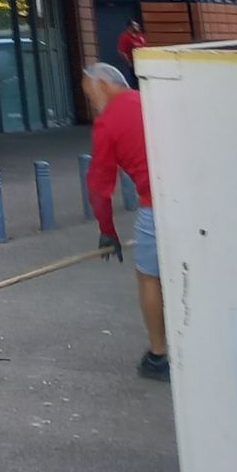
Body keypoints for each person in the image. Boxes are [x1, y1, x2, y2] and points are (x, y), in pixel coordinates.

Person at [82, 58, 167, 381]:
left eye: (90, 95)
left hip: (156, 204)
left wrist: (108, 231)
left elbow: (99, 186)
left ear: (103, 85)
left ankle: (159, 355)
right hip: (193, 200)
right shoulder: (152, 99)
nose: (92, 105)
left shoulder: (108, 123)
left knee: (150, 277)